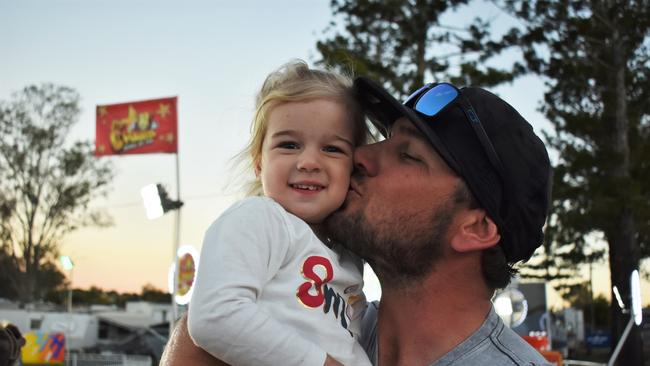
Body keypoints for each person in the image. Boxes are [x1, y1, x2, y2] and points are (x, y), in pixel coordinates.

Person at [161, 76, 553, 366]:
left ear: (476, 228)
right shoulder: (319, 327)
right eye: (381, 139)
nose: (360, 157)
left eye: (409, 155)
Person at [186, 60, 372, 366]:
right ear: (259, 162)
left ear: (355, 166)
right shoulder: (260, 218)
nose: (309, 161)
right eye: (289, 145)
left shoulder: (348, 254)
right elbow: (214, 315)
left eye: (332, 149)